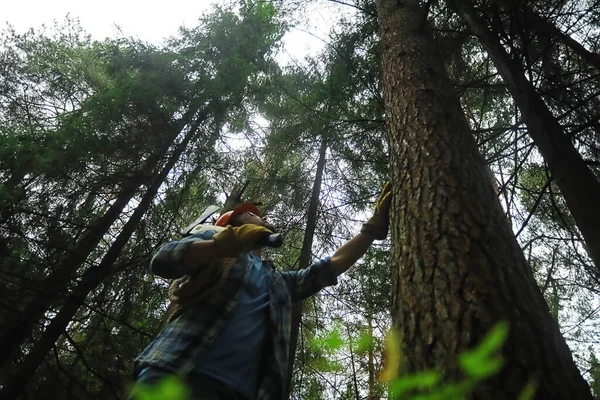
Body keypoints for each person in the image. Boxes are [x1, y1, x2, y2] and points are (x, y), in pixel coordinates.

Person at [131, 183, 391, 400]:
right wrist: (221, 244)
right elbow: (163, 260)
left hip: (241, 393)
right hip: (177, 372)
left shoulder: (276, 281)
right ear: (234, 223)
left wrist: (371, 229)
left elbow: (329, 267)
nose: (263, 218)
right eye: (252, 215)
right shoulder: (212, 242)